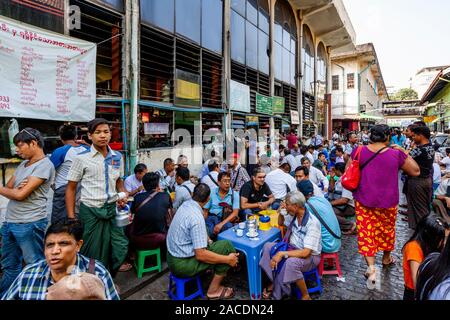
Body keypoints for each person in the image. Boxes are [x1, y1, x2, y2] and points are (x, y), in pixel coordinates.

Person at [350, 124, 419, 289]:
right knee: (387, 230)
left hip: (364, 200)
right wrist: (403, 151)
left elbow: (349, 171)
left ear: (371, 136)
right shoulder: (396, 154)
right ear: (388, 136)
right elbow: (415, 171)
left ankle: (372, 269)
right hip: (388, 202)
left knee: (367, 233)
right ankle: (386, 258)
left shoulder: (359, 150)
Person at [66, 118, 129, 275]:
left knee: (119, 247)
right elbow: (71, 189)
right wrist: (72, 217)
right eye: (98, 132)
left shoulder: (117, 157)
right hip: (91, 211)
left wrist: (123, 193)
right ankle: (91, 283)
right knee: (91, 250)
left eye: (106, 132)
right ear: (90, 135)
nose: (103, 136)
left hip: (112, 209)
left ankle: (107, 278)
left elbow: (119, 181)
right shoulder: (81, 158)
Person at [1, 219, 119, 300]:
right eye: (50, 245)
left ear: (78, 245)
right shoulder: (28, 274)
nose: (55, 251)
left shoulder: (97, 273)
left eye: (63, 244)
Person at [0, 128, 55, 295]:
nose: (17, 150)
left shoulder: (45, 165)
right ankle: (7, 295)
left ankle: (37, 295)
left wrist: (15, 190)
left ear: (33, 143)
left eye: (20, 145)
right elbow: (10, 188)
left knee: (35, 266)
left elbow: (19, 194)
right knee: (10, 265)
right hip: (10, 222)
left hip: (30, 224)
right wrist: (15, 189)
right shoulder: (24, 164)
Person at [167, 184, 239, 300]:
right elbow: (200, 255)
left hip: (171, 256)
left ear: (192, 195)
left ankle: (217, 267)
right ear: (208, 199)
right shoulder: (196, 217)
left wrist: (208, 240)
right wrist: (228, 259)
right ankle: (213, 290)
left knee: (218, 244)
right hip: (181, 264)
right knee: (226, 247)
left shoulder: (186, 205)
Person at [259, 191, 322, 300]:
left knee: (291, 262)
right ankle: (275, 281)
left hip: (310, 257)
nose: (286, 207)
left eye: (287, 205)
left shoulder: (312, 223)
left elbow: (306, 252)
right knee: (268, 246)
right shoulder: (294, 215)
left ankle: (305, 295)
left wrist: (282, 253)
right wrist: (281, 213)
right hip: (292, 247)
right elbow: (280, 223)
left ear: (296, 206)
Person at [402, 215, 447, 300]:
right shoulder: (413, 248)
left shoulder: (430, 247)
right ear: (432, 237)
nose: (444, 242)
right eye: (442, 238)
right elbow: (417, 282)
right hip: (414, 294)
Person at [50, 124, 88, 223]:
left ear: (61, 137)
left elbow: (48, 169)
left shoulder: (60, 151)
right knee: (78, 219)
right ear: (76, 136)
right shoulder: (87, 149)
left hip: (63, 188)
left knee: (59, 222)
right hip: (83, 189)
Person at [128, 173, 172, 251]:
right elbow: (169, 216)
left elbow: (132, 214)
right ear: (158, 184)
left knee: (127, 227)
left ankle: (131, 253)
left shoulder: (137, 197)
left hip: (138, 238)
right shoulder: (165, 196)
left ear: (144, 185)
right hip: (159, 238)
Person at [297, 180, 341, 254]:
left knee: (298, 236)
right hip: (337, 240)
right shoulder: (322, 199)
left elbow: (301, 224)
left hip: (327, 245)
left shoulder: (308, 206)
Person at [406, 125, 435, 229]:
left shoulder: (419, 150)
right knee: (424, 208)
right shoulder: (430, 147)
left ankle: (424, 233)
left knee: (419, 210)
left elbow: (405, 158)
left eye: (414, 136)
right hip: (426, 180)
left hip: (417, 181)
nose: (413, 138)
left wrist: (402, 149)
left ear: (421, 135)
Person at [415, 223, 450, 300]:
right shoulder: (446, 292)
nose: (444, 242)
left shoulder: (431, 258)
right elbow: (414, 277)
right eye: (443, 238)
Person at [204, 172, 240, 238]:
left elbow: (235, 213)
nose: (227, 183)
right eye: (224, 181)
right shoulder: (212, 192)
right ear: (219, 182)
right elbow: (205, 211)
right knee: (209, 232)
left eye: (229, 181)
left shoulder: (234, 194)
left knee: (228, 228)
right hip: (212, 217)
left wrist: (221, 224)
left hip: (226, 219)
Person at [328, 163, 357, 235]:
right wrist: (331, 177)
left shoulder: (346, 181)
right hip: (341, 206)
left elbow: (344, 200)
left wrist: (329, 204)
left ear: (338, 170)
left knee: (329, 213)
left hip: (348, 207)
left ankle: (351, 225)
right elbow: (332, 189)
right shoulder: (340, 179)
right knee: (327, 210)